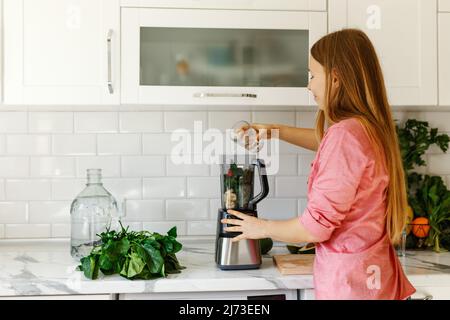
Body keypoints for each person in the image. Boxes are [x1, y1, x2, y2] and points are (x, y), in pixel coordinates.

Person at [221, 28, 416, 300]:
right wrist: (275, 130)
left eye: (313, 76)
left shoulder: (346, 135)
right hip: (374, 278)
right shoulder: (367, 130)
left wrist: (259, 227)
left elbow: (314, 228)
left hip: (350, 287)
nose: (309, 85)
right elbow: (330, 145)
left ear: (335, 79)